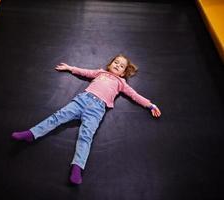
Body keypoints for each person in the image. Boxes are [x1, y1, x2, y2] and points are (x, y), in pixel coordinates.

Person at [11, 54, 161, 185]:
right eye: (116, 62)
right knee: (57, 117)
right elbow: (86, 72)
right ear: (109, 65)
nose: (117, 65)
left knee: (86, 136)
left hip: (97, 110)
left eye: (121, 66)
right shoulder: (100, 73)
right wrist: (70, 68)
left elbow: (135, 95)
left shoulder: (121, 83)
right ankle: (31, 134)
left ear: (123, 73)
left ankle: (77, 167)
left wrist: (150, 105)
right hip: (81, 101)